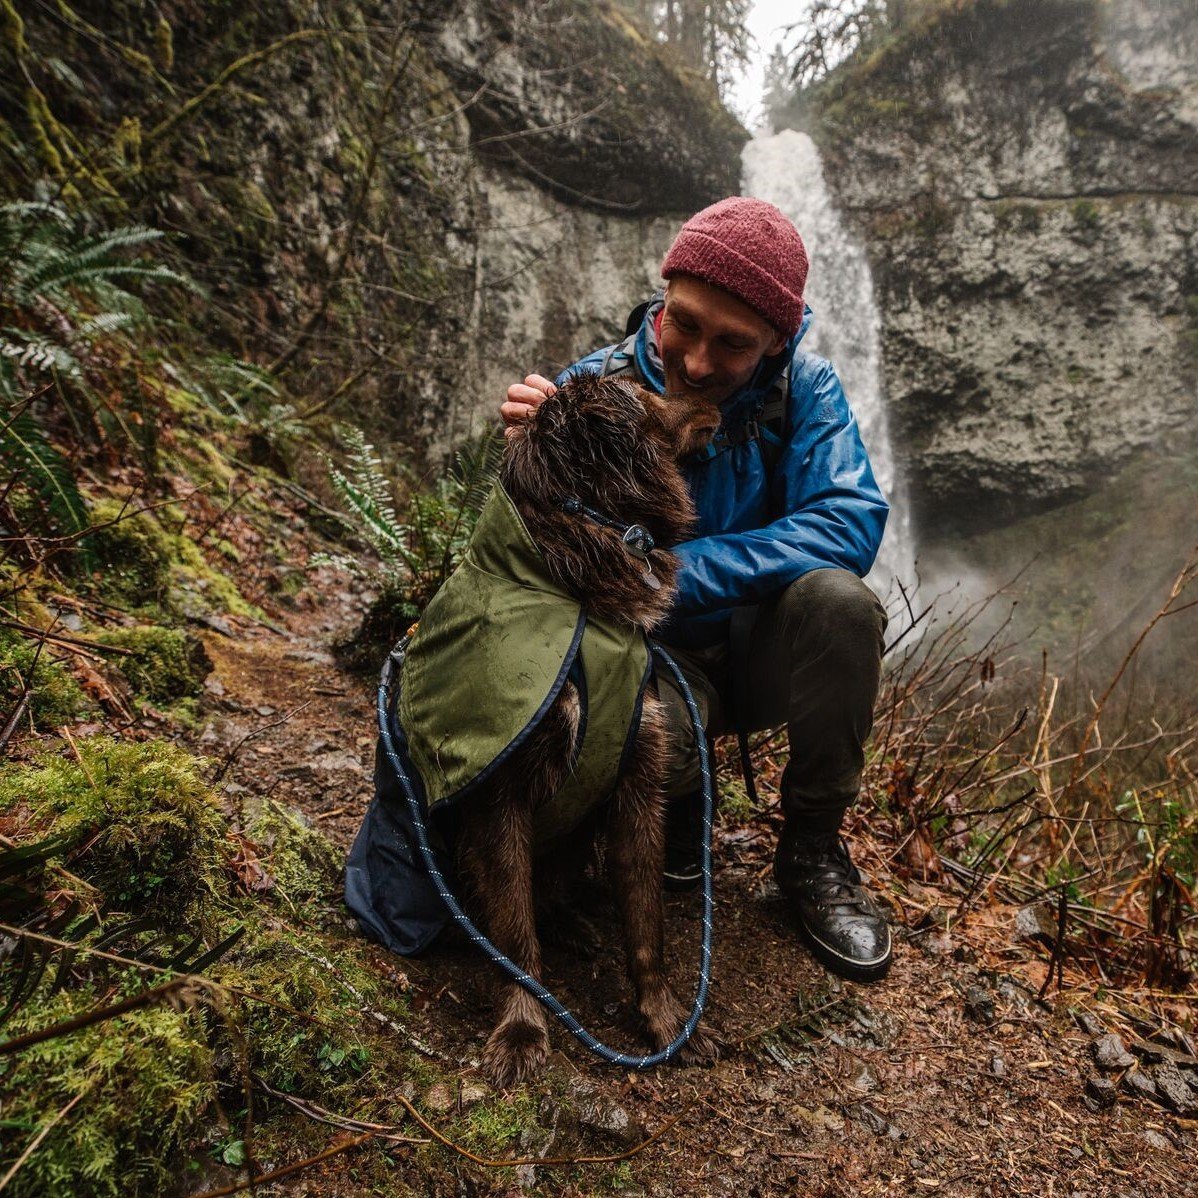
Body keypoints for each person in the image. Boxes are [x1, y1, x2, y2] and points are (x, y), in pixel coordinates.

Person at [500, 196, 893, 982]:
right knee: (657, 751)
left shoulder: (807, 393)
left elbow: (850, 519)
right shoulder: (593, 387)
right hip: (637, 666)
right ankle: (680, 807)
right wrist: (526, 457)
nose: (702, 362)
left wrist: (676, 573)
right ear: (664, 290)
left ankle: (811, 849)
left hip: (756, 655)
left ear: (780, 340)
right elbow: (536, 560)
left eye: (735, 343)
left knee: (842, 606)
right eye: (684, 324)